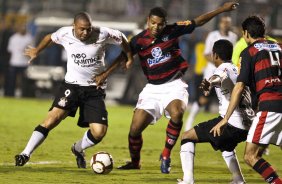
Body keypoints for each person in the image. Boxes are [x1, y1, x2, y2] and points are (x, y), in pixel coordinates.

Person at [95, 2, 239, 174]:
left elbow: (198, 21)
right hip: (152, 89)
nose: (156, 27)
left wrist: (222, 9)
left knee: (177, 113)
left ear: (165, 23)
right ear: (148, 21)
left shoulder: (173, 30)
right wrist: (105, 74)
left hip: (174, 85)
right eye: (153, 23)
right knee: (135, 129)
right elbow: (121, 57)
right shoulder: (139, 40)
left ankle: (166, 154)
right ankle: (135, 162)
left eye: (160, 24)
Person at [14, 12, 133, 168]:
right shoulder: (64, 33)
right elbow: (49, 37)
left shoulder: (103, 34)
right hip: (72, 86)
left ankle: (78, 148)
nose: (85, 32)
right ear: (74, 26)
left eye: (88, 29)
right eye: (82, 29)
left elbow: (122, 38)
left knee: (99, 132)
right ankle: (25, 154)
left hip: (94, 89)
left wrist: (128, 58)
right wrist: (37, 50)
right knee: (52, 119)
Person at [211, 16, 282, 184]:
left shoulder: (249, 52)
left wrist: (226, 119)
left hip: (270, 105)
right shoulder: (279, 47)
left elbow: (240, 86)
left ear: (245, 33)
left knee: (250, 156)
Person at [178, 39, 254, 184]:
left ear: (215, 56)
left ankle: (188, 180)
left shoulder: (221, 68)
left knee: (187, 136)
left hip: (232, 123)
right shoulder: (238, 68)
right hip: (248, 124)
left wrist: (210, 82)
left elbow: (219, 77)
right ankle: (238, 180)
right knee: (226, 146)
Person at [185, 16, 238, 131]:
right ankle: (190, 119)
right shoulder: (212, 35)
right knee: (204, 98)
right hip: (211, 73)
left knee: (228, 98)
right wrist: (219, 65)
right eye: (223, 22)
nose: (225, 24)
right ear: (219, 24)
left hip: (227, 73)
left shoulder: (233, 37)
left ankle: (229, 125)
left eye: (227, 23)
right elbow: (206, 54)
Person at [5, 23, 33, 97]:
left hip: (24, 63)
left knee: (24, 82)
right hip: (14, 62)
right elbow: (10, 51)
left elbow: (32, 51)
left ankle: (24, 95)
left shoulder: (29, 38)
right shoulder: (13, 38)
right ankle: (10, 95)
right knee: (11, 81)